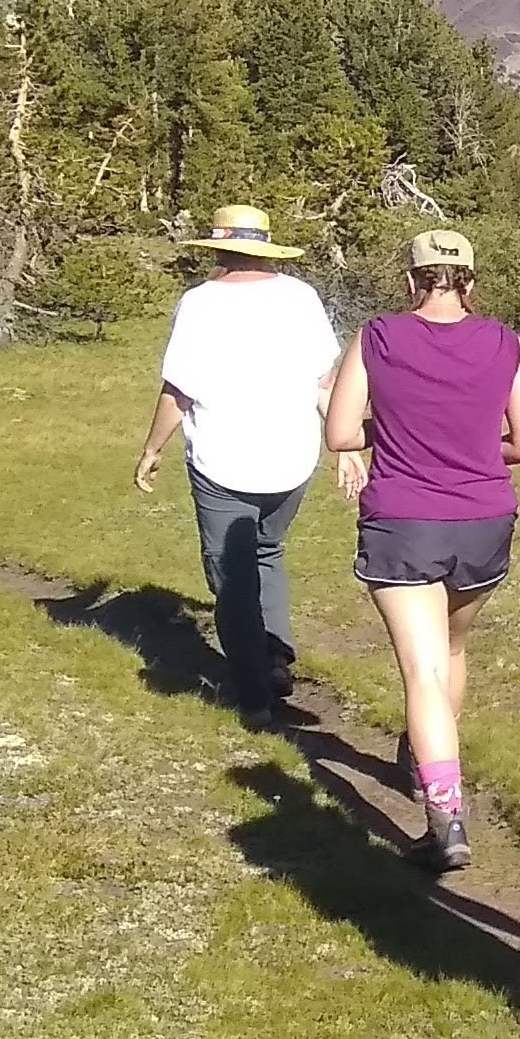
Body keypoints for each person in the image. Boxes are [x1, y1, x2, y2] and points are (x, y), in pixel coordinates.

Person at [323, 229, 520, 871]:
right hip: (484, 522)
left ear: (410, 280)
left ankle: (446, 821)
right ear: (469, 281)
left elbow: (340, 434)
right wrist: (470, 444)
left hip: (404, 522)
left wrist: (393, 432)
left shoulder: (377, 336)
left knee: (422, 672)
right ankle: (428, 770)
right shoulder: (506, 342)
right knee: (451, 651)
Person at [134, 205, 340, 731]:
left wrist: (153, 448)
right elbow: (324, 382)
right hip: (292, 458)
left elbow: (179, 390)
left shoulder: (200, 303)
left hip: (223, 460)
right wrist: (347, 445)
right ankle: (274, 657)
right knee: (268, 550)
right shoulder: (302, 297)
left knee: (232, 576)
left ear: (219, 249)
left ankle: (252, 696)